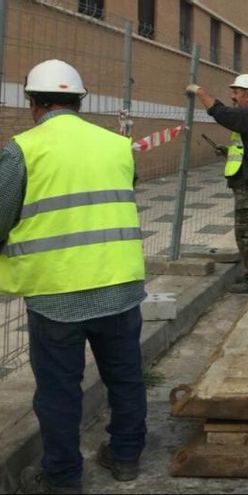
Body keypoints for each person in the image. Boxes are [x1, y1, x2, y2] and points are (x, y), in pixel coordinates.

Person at [0, 60, 147, 493]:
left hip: (57, 293)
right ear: (79, 102)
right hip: (120, 286)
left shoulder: (21, 150)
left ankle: (62, 479)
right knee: (125, 376)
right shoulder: (117, 145)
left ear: (33, 104)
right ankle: (126, 458)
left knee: (59, 390)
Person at [186, 75, 248, 294]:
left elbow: (223, 114)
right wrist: (228, 151)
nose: (232, 96)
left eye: (236, 92)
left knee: (246, 232)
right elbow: (247, 147)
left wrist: (199, 91)